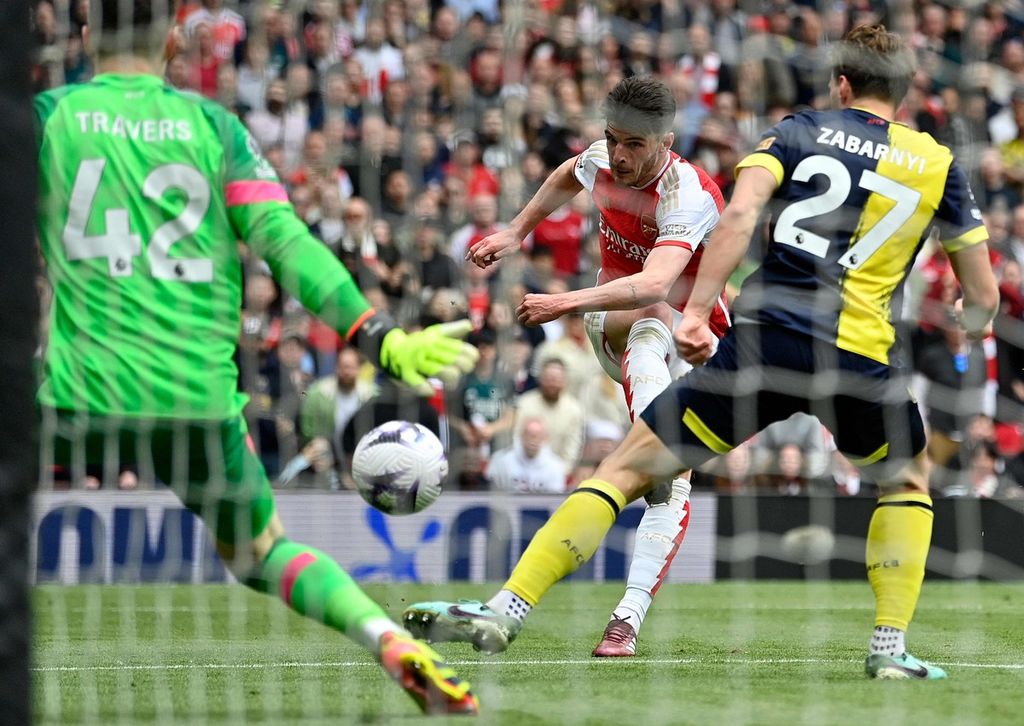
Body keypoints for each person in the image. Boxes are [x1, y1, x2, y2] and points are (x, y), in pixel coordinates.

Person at [402, 25, 1001, 681]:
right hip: (856, 356)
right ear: (907, 92)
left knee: (627, 468)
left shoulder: (798, 131)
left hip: (764, 342)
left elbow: (740, 216)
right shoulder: (938, 164)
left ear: (842, 84)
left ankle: (507, 609)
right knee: (906, 483)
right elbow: (981, 293)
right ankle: (888, 652)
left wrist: (695, 312)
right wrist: (974, 326)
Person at [35, 2, 479, 715]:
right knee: (260, 552)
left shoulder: (48, 116)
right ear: (175, 39)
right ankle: (383, 636)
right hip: (198, 397)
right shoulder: (214, 129)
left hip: (73, 390)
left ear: (84, 34)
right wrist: (380, 336)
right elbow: (286, 242)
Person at [466, 75, 728, 656]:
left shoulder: (689, 193)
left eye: (634, 144)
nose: (619, 154)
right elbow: (569, 171)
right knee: (650, 321)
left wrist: (562, 301)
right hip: (622, 325)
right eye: (612, 139)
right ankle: (655, 439)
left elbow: (658, 279)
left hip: (695, 345)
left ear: (665, 139)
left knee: (670, 489)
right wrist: (516, 230)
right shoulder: (604, 159)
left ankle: (624, 622)